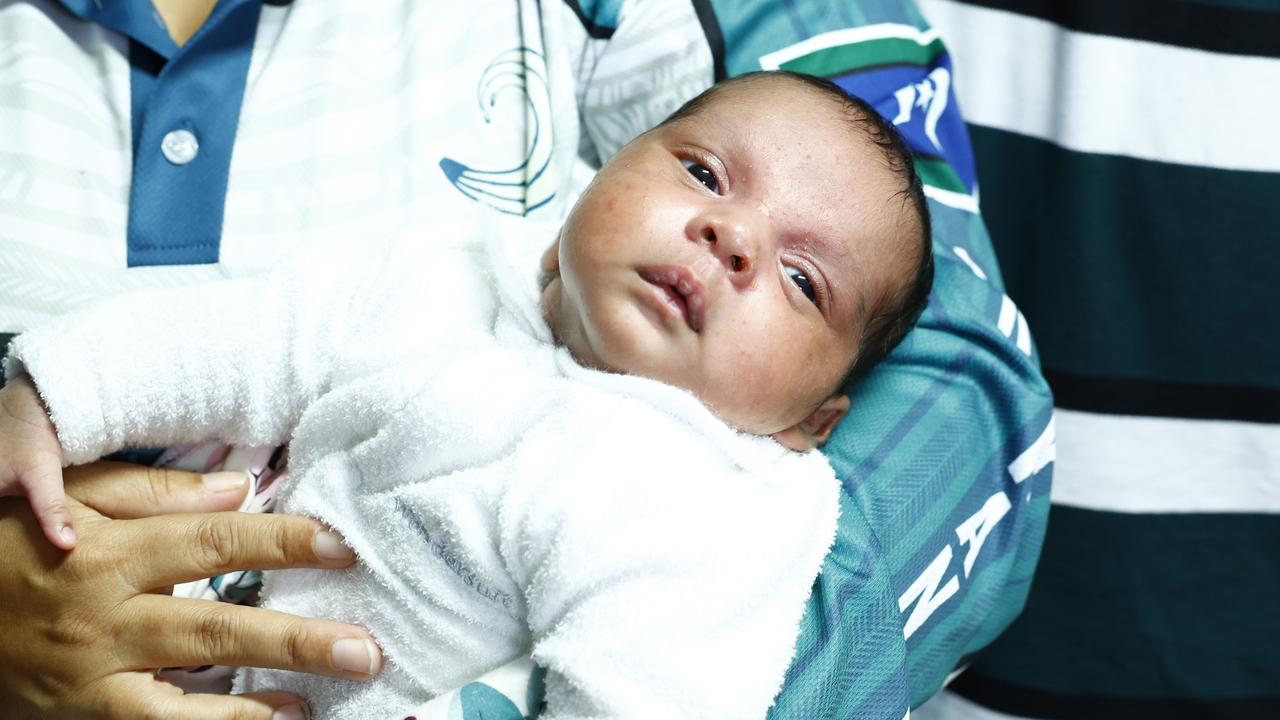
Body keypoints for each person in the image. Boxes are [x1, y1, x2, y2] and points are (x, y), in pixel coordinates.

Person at [0, 71, 934, 718]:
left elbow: (642, 700)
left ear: (809, 424)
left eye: (803, 279)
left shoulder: (699, 505)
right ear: (598, 172)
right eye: (702, 172)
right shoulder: (447, 277)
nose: (731, 235)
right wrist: (55, 397)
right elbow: (246, 340)